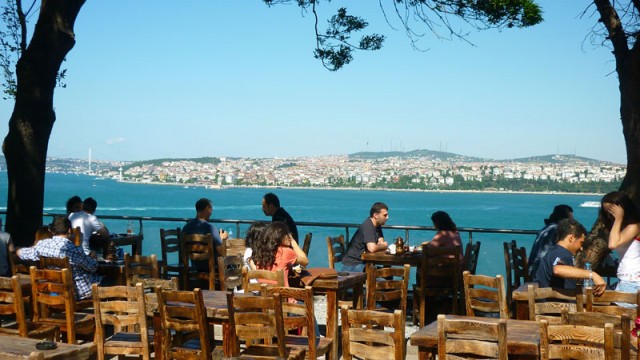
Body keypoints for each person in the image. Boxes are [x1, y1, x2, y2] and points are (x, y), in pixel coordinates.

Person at [16, 216, 101, 300]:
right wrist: (94, 257)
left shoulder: (42, 245)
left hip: (52, 290)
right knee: (108, 280)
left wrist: (16, 250)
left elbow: (22, 253)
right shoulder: (74, 250)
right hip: (76, 293)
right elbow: (93, 268)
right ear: (69, 230)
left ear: (51, 230)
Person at [533, 218, 606, 295]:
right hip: (560, 305)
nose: (581, 248)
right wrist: (592, 275)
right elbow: (558, 269)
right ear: (571, 238)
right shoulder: (562, 252)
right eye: (581, 243)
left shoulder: (553, 251)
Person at [600, 191, 640, 295]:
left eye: (612, 213)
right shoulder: (623, 229)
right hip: (627, 280)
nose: (609, 216)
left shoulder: (634, 226)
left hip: (633, 280)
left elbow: (613, 244)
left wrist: (618, 218)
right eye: (606, 213)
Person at [252, 221, 308, 288]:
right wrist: (293, 242)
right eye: (287, 234)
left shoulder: (260, 253)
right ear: (279, 237)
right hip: (282, 296)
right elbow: (305, 261)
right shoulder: (286, 252)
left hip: (264, 295)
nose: (289, 237)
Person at [182, 198, 228, 272]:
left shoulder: (186, 228)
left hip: (194, 265)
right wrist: (222, 239)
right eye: (211, 209)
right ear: (207, 208)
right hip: (210, 267)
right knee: (233, 263)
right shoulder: (211, 228)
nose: (211, 212)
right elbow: (221, 252)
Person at [342, 202, 389, 272]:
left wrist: (381, 245)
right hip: (353, 265)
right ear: (375, 215)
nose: (387, 217)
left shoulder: (377, 225)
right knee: (384, 278)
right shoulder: (368, 226)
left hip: (363, 263)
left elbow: (381, 242)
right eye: (385, 215)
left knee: (387, 272)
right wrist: (385, 245)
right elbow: (372, 248)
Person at [528, 204, 574, 277]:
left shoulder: (546, 229)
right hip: (540, 274)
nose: (571, 222)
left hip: (533, 270)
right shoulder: (556, 231)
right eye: (570, 219)